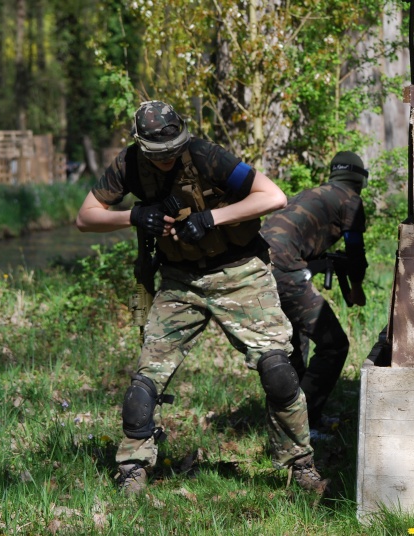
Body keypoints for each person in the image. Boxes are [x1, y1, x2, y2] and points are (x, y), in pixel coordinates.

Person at [76, 100, 328, 495]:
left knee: (278, 371)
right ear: (141, 146)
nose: (168, 160)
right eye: (159, 155)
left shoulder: (208, 156)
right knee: (145, 382)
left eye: (174, 150)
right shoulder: (127, 164)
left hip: (241, 271)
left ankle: (301, 465)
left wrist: (211, 219)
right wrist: (133, 216)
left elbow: (273, 196)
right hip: (181, 280)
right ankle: (132, 468)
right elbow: (85, 216)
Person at [261, 151, 369, 437]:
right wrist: (356, 287)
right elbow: (355, 251)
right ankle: (302, 425)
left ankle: (293, 421)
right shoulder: (350, 200)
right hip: (284, 268)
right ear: (359, 179)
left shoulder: (313, 194)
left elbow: (297, 240)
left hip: (257, 265)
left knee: (295, 345)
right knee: (334, 344)